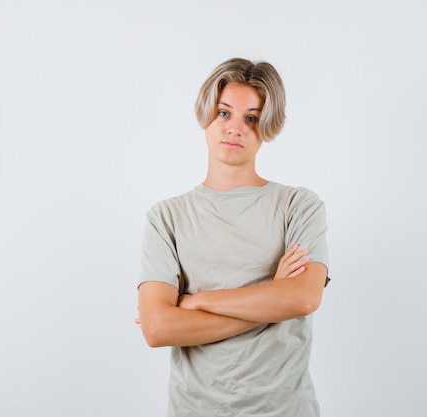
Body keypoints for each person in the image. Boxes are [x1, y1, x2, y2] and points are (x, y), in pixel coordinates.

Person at [136, 58, 330, 417]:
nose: (235, 128)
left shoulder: (298, 205)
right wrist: (272, 298)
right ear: (206, 116)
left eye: (251, 118)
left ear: (267, 126)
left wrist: (196, 302)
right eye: (224, 113)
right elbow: (157, 327)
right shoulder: (166, 218)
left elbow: (303, 297)